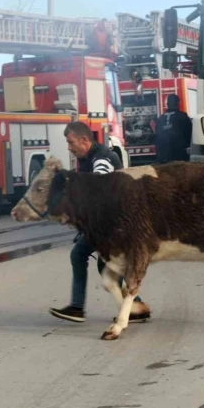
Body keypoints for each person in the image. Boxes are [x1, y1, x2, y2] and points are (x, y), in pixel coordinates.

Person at [49, 121, 151, 323]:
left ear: (85, 140)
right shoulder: (89, 158)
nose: (69, 147)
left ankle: (78, 307)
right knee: (104, 265)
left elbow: (97, 190)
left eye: (71, 142)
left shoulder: (101, 159)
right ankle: (137, 307)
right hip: (111, 221)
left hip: (113, 223)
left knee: (81, 256)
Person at [155, 94, 192, 163]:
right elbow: (190, 135)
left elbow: (157, 137)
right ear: (178, 103)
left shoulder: (160, 119)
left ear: (167, 104)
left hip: (163, 157)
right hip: (179, 155)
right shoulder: (183, 116)